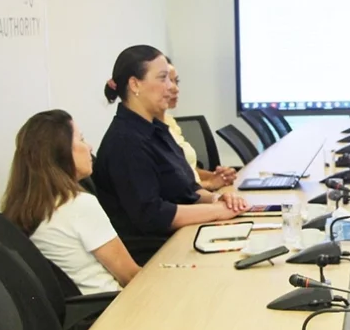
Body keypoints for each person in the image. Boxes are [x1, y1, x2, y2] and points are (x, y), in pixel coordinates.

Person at [95, 45, 249, 265]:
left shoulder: (156, 129)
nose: (170, 86)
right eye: (162, 78)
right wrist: (216, 211)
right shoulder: (126, 141)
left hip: (183, 237)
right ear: (135, 84)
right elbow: (153, 215)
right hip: (157, 255)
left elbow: (187, 188)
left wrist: (217, 199)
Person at [0, 110, 140, 293]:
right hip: (114, 304)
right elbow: (130, 275)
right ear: (62, 152)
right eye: (81, 139)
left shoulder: (30, 207)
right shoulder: (78, 205)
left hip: (88, 305)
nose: (89, 147)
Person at [158, 60, 236, 191]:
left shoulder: (169, 121)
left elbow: (188, 170)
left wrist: (216, 177)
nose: (175, 88)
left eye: (176, 81)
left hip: (198, 195)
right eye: (167, 82)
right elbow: (168, 187)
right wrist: (209, 184)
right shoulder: (147, 131)